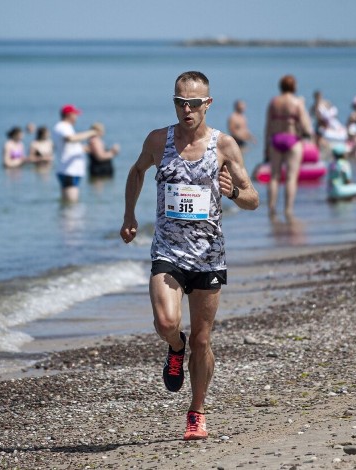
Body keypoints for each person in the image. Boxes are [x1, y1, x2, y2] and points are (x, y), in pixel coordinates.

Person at [119, 71, 259, 441]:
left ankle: (196, 411)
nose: (187, 109)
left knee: (203, 338)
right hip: (168, 250)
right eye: (180, 102)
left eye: (194, 103)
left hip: (209, 255)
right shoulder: (158, 140)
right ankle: (173, 348)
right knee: (166, 322)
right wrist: (129, 215)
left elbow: (253, 199)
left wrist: (232, 193)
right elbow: (135, 172)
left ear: (207, 104)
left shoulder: (224, 146)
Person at [264, 74, 313, 218]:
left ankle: (272, 209)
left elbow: (268, 125)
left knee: (274, 177)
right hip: (292, 140)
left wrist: (266, 146)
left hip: (276, 139)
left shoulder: (274, 102)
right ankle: (288, 209)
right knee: (291, 177)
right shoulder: (297, 103)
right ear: (293, 86)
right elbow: (306, 126)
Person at [52, 104, 99, 203]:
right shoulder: (63, 126)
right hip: (69, 171)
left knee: (68, 204)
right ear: (69, 115)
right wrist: (91, 132)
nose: (76, 117)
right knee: (72, 205)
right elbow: (70, 139)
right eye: (75, 114)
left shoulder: (66, 127)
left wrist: (84, 149)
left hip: (69, 170)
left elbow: (69, 146)